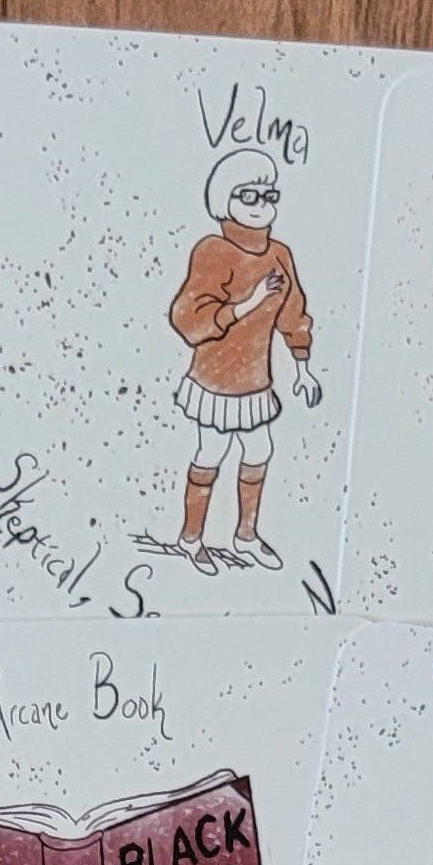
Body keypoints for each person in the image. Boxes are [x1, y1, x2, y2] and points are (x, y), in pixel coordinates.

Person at [162, 152, 320, 570]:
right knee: (212, 450)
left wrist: (302, 365)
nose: (260, 204)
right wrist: (247, 303)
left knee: (260, 447)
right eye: (247, 194)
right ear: (224, 199)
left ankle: (245, 535)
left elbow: (292, 312)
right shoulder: (213, 250)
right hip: (215, 378)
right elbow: (188, 316)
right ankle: (190, 539)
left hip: (256, 379)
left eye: (268, 195)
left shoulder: (279, 254)